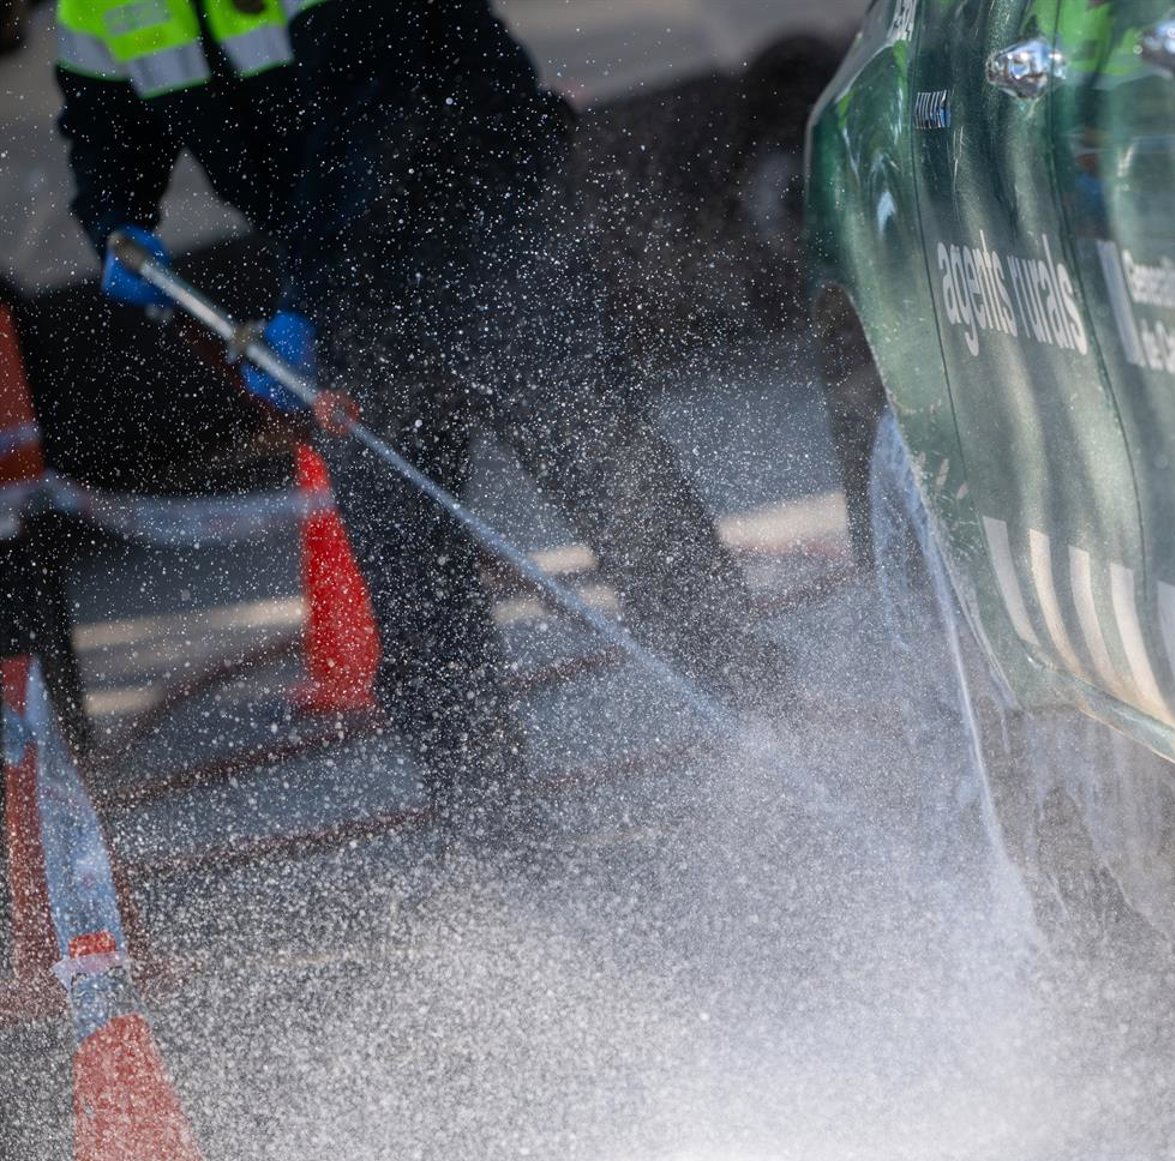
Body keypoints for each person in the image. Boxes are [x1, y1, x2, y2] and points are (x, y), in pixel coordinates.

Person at [53, 0, 783, 819]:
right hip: (340, 274)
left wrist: (307, 303)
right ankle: (495, 827)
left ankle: (767, 730)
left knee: (615, 490)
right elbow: (104, 119)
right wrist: (114, 214)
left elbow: (369, 113)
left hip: (483, 219)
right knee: (413, 583)